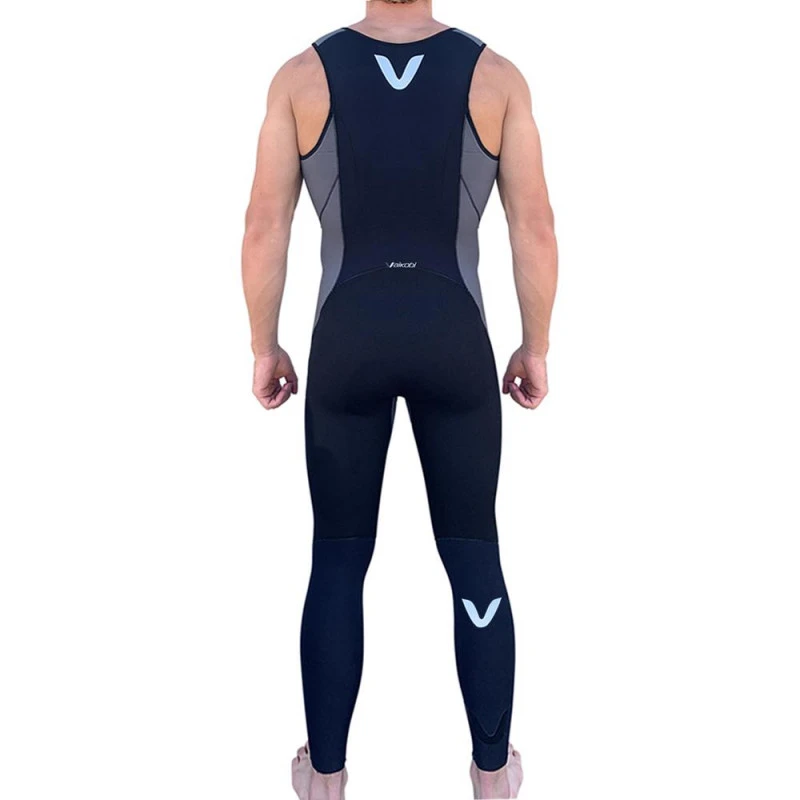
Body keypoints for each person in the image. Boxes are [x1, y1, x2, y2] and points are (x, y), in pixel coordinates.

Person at [242, 0, 557, 797]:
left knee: (338, 559)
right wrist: (535, 346)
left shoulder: (302, 77)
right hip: (455, 339)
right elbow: (535, 226)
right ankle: (493, 776)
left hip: (347, 340)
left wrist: (264, 346)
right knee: (474, 555)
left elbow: (265, 225)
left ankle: (325, 779)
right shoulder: (496, 77)